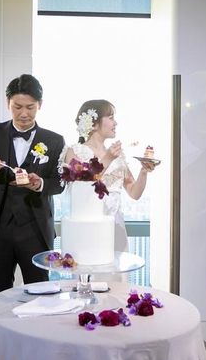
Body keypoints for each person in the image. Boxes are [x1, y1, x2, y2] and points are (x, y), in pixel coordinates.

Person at [0, 74, 65, 297]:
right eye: (17, 107)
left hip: (36, 229)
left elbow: (60, 183)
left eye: (30, 107)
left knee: (40, 292)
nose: (24, 113)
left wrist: (40, 184)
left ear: (40, 105)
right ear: (8, 103)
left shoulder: (54, 140)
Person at [63, 99, 156, 261]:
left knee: (117, 273)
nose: (116, 123)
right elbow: (83, 185)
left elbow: (134, 193)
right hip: (88, 228)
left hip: (116, 227)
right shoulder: (74, 151)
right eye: (111, 118)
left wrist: (143, 171)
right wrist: (107, 158)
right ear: (94, 124)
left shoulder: (118, 155)